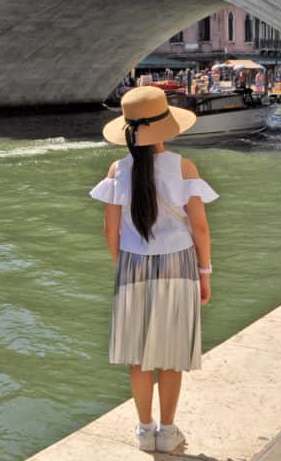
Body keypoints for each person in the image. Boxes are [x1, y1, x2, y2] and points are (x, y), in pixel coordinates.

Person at [89, 86, 215, 453]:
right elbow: (200, 228)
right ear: (165, 128)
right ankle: (168, 431)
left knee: (138, 355)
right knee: (171, 355)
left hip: (133, 263)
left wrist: (124, 266)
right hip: (178, 262)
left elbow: (110, 230)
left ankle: (145, 431)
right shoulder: (183, 167)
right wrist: (205, 273)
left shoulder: (117, 170)